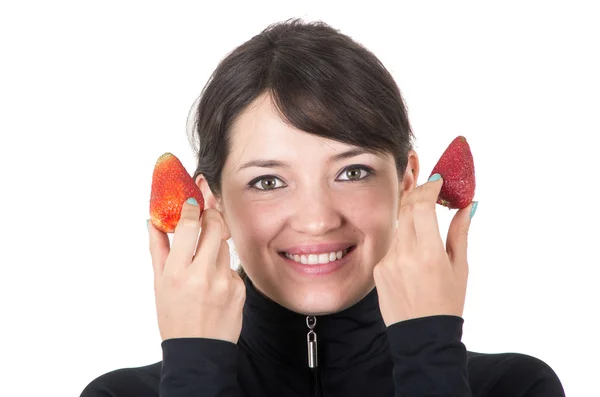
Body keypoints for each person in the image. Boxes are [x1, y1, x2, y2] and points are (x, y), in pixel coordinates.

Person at [81, 18, 565, 397]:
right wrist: (196, 369)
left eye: (352, 172)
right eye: (267, 181)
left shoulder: (514, 387)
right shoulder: (118, 394)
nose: (317, 218)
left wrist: (429, 350)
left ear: (406, 182)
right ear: (213, 203)